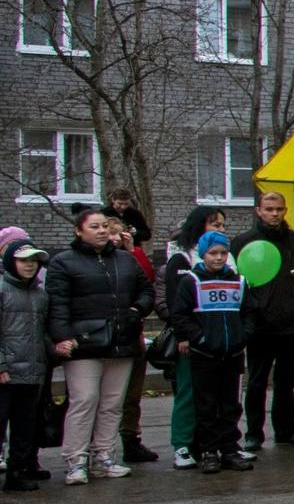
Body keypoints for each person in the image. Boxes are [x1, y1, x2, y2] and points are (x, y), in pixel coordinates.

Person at [45, 208, 150, 484]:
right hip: (84, 344)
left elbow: (146, 290)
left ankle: (103, 456)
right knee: (84, 400)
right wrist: (62, 337)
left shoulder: (126, 260)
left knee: (112, 404)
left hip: (121, 342)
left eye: (105, 226)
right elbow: (57, 304)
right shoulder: (63, 263)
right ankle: (76, 461)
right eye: (95, 227)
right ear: (79, 231)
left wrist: (136, 310)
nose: (102, 231)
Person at [233, 191, 294, 454]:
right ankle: (254, 433)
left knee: (286, 381)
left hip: (290, 322)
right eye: (269, 209)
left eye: (278, 209)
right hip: (258, 325)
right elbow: (238, 282)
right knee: (256, 381)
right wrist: (249, 314)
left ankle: (286, 430)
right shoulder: (244, 242)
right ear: (258, 210)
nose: (274, 214)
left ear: (285, 210)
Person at [168, 230, 254, 473]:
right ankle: (208, 450)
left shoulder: (239, 281)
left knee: (230, 405)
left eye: (223, 253)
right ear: (203, 255)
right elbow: (181, 316)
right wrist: (201, 338)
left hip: (233, 353)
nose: (218, 258)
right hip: (205, 354)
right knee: (205, 404)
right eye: (213, 253)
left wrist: (242, 336)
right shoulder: (191, 281)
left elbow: (249, 313)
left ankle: (229, 449)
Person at [159, 205, 227, 468]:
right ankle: (183, 445)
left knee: (219, 396)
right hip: (194, 341)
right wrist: (184, 336)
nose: (221, 230)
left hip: (221, 340)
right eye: (215, 225)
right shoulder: (182, 260)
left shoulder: (226, 260)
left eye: (223, 225)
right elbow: (177, 305)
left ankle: (217, 443)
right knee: (188, 392)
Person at [107, 219, 158, 466]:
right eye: (111, 233)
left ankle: (131, 440)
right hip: (102, 337)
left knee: (132, 396)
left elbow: (148, 282)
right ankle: (99, 449)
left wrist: (133, 250)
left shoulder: (130, 257)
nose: (116, 238)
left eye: (120, 233)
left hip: (131, 333)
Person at [1, 237, 51, 492]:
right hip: (6, 373)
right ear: (11, 262)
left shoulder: (39, 294)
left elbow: (41, 332)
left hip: (32, 372)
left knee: (24, 426)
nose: (30, 266)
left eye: (34, 261)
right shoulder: (2, 290)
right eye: (24, 261)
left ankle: (18, 472)